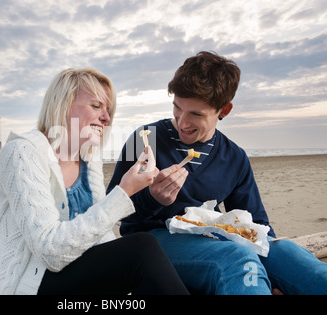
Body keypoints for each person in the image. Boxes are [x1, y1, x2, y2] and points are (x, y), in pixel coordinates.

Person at [107, 51, 327, 295]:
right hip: (151, 242)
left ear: (225, 109)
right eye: (177, 108)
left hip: (215, 240)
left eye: (196, 114)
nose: (182, 122)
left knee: (291, 255)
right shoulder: (146, 140)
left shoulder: (234, 157)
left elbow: (256, 224)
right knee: (238, 259)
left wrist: (274, 275)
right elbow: (114, 213)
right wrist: (152, 198)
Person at [0, 68, 189, 295]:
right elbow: (50, 251)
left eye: (108, 109)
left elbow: (101, 237)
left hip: (74, 276)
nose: (106, 118)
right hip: (27, 284)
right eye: (96, 106)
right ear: (62, 105)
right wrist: (124, 191)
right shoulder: (22, 153)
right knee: (143, 249)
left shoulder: (88, 159)